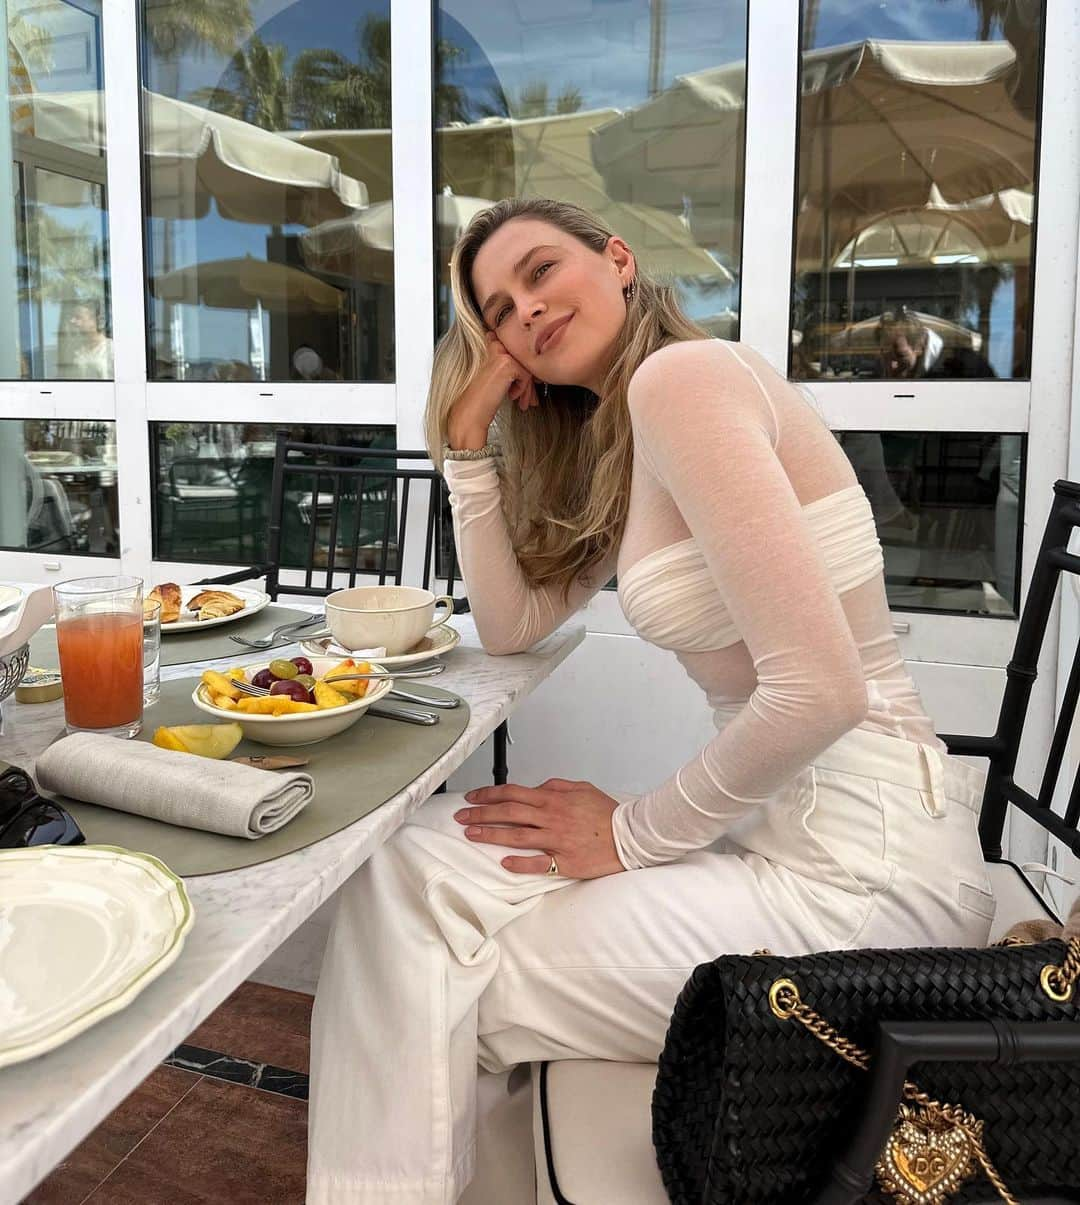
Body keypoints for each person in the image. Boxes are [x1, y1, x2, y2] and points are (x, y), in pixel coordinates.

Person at [306, 199, 994, 1203]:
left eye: (542, 271)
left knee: (424, 984)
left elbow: (824, 689)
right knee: (411, 865)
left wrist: (629, 832)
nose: (527, 310)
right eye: (500, 309)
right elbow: (510, 625)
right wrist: (467, 444)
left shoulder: (686, 380)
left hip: (864, 881)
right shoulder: (628, 432)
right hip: (812, 839)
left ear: (618, 260)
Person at [63, 299, 113, 380]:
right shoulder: (76, 349)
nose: (72, 321)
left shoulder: (111, 349)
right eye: (72, 317)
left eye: (78, 317)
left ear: (94, 320)